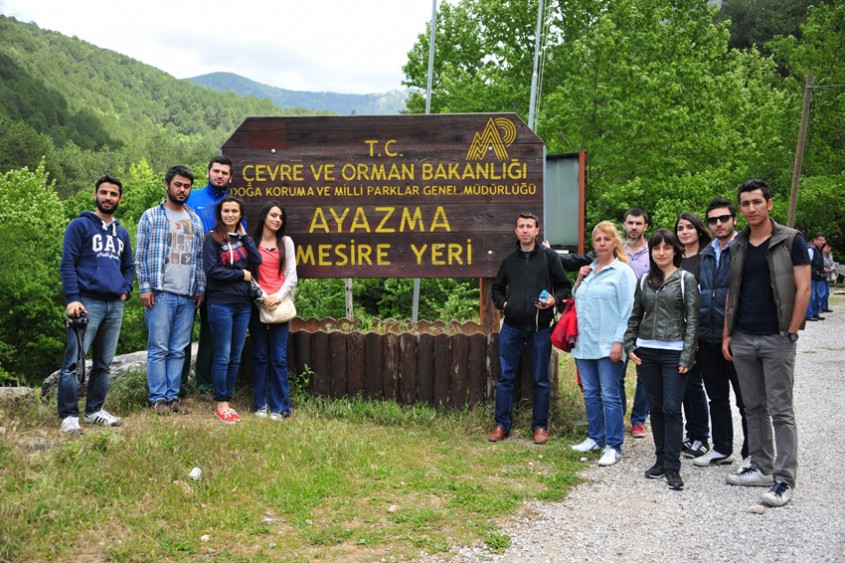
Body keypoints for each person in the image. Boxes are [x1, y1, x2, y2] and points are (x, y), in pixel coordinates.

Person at [722, 179, 810, 507]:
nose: (751, 209)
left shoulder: (791, 240)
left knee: (780, 409)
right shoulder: (738, 243)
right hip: (743, 336)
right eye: (745, 204)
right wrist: (728, 333)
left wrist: (789, 331)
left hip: (777, 337)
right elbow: (734, 289)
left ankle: (784, 479)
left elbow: (803, 288)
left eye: (756, 202)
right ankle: (760, 465)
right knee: (752, 405)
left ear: (769, 204)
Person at [57, 175, 134, 434]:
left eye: (113, 194)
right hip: (87, 302)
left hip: (115, 305)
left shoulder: (121, 232)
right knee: (74, 362)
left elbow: (128, 267)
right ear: (95, 194)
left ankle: (94, 411)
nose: (108, 198)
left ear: (120, 199)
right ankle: (69, 416)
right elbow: (67, 263)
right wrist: (73, 298)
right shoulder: (80, 226)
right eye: (104, 193)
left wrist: (126, 290)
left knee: (104, 363)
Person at [625, 229, 699, 491]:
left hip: (674, 352)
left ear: (675, 251)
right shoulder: (644, 279)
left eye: (667, 247)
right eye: (657, 248)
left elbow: (693, 321)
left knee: (671, 408)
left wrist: (688, 354)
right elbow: (635, 315)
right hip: (647, 352)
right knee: (655, 408)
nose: (661, 252)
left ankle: (673, 467)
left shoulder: (685, 279)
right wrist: (629, 343)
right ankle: (659, 460)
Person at [489, 213, 572, 445]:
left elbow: (565, 288)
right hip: (512, 328)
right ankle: (501, 425)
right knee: (505, 377)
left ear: (537, 231)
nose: (525, 230)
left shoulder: (549, 258)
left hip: (540, 328)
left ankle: (540, 427)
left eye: (529, 227)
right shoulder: (509, 260)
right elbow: (496, 289)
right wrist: (506, 304)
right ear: (515, 231)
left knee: (540, 379)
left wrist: (553, 301)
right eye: (521, 227)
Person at [136, 165, 205, 414]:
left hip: (187, 295)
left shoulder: (195, 220)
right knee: (159, 348)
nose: (182, 190)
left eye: (186, 186)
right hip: (161, 292)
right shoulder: (151, 216)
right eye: (178, 185)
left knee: (178, 350)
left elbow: (199, 257)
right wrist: (145, 288)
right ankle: (157, 399)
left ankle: (173, 397)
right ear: (167, 185)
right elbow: (140, 256)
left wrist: (200, 289)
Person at [570, 221, 636, 466]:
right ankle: (595, 437)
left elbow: (628, 311)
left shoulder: (622, 272)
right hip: (585, 343)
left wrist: (619, 342)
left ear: (615, 242)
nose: (602, 244)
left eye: (606, 239)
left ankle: (613, 444)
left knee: (610, 395)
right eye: (598, 240)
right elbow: (577, 302)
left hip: (609, 344)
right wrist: (578, 280)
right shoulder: (589, 270)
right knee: (590, 393)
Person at [693, 198, 749, 467]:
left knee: (746, 399)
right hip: (707, 336)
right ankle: (722, 448)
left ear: (734, 219)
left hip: (737, 337)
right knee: (716, 397)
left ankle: (752, 454)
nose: (718, 223)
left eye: (723, 218)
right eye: (713, 220)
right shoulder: (706, 253)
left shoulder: (745, 248)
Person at [203, 196, 261, 424]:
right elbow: (212, 271)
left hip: (243, 304)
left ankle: (228, 399)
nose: (230, 214)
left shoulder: (242, 238)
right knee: (223, 356)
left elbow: (256, 259)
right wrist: (240, 275)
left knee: (235, 357)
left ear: (240, 215)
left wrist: (245, 236)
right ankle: (222, 404)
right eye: (226, 211)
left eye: (234, 211)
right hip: (220, 304)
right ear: (220, 214)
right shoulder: (212, 239)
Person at [183, 155, 236, 398]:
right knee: (182, 330)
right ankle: (179, 382)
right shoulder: (191, 198)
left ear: (230, 177)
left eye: (224, 173)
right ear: (207, 172)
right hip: (187, 273)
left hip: (217, 279)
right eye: (216, 171)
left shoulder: (233, 205)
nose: (219, 176)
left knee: (210, 333)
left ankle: (203, 384)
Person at [250, 201, 297, 420]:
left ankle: (281, 407)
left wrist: (276, 297)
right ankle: (261, 404)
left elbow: (291, 276)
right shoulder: (251, 243)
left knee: (278, 357)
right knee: (260, 356)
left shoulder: (286, 242)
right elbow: (248, 275)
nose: (277, 220)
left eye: (280, 217)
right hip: (257, 304)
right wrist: (262, 297)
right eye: (273, 215)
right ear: (263, 217)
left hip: (280, 305)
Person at [674, 213, 712, 459]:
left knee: (695, 385)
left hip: (698, 332)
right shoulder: (677, 259)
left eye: (689, 227)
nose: (684, 232)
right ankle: (691, 433)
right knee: (684, 386)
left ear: (699, 230)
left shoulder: (706, 258)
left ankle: (701, 437)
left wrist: (695, 334)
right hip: (677, 331)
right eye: (680, 228)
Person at [622, 208, 651, 438]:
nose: (634, 227)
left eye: (638, 223)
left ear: (645, 227)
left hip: (646, 322)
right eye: (630, 223)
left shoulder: (655, 252)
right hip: (620, 321)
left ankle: (639, 420)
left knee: (645, 375)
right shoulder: (615, 250)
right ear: (624, 225)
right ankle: (618, 415)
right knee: (616, 373)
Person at [805, 232, 827, 321]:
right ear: (815, 240)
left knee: (817, 295)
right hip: (811, 276)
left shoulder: (818, 250)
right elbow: (806, 263)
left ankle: (815, 313)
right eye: (820, 240)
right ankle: (808, 314)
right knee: (811, 295)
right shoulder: (811, 249)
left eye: (823, 240)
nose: (822, 242)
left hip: (817, 276)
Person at [821, 242, 836, 312]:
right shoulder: (820, 255)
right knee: (821, 292)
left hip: (828, 276)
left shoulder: (830, 255)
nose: (829, 249)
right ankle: (820, 308)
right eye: (827, 247)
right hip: (822, 275)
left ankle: (825, 307)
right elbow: (819, 265)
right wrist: (827, 270)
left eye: (829, 247)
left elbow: (833, 263)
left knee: (827, 293)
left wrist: (833, 268)